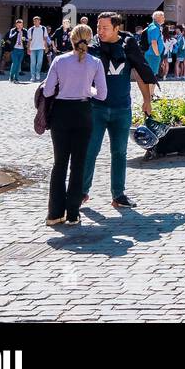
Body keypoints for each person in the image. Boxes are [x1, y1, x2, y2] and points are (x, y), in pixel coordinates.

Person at [83, 11, 159, 209]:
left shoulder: (127, 46)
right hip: (96, 108)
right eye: (98, 27)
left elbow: (139, 71)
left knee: (119, 152)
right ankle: (81, 192)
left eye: (105, 28)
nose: (100, 31)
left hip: (121, 108)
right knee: (90, 150)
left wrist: (147, 100)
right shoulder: (93, 48)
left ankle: (118, 195)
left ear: (117, 28)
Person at [44, 25, 108, 226]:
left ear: (70, 40)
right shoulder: (95, 62)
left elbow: (47, 92)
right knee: (78, 165)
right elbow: (102, 95)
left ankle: (55, 214)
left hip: (61, 113)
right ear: (89, 41)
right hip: (83, 113)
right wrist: (86, 89)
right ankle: (73, 213)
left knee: (59, 164)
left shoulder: (59, 60)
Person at [25, 15, 51, 83]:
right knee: (33, 63)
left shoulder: (43, 28)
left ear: (40, 21)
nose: (36, 22)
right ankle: (33, 76)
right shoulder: (31, 29)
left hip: (41, 48)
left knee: (39, 62)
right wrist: (28, 48)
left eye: (37, 20)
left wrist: (46, 47)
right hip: (32, 48)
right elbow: (29, 40)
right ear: (33, 22)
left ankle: (38, 74)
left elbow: (45, 38)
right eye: (35, 21)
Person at [143, 11, 165, 79]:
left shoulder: (155, 27)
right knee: (152, 76)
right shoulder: (154, 28)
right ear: (157, 18)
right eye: (163, 17)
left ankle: (150, 89)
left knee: (152, 75)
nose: (164, 18)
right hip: (153, 55)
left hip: (153, 54)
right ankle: (149, 90)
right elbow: (154, 42)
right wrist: (157, 54)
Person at [7, 19, 28, 83]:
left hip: (21, 49)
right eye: (18, 25)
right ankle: (11, 77)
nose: (19, 26)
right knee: (15, 63)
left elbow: (28, 39)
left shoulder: (25, 31)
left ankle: (16, 78)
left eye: (21, 25)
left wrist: (25, 39)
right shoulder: (13, 30)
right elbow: (10, 37)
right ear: (16, 25)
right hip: (14, 49)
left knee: (18, 64)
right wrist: (17, 32)